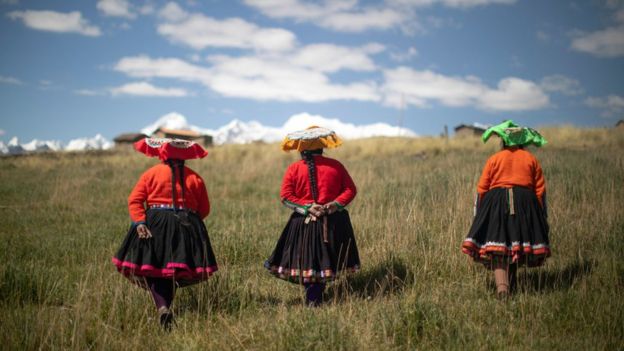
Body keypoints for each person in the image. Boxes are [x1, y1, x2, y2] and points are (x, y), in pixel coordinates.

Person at [112, 137, 218, 329]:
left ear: (163, 154)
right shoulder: (195, 177)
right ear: (185, 157)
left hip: (155, 224)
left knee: (155, 268)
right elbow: (205, 209)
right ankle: (165, 308)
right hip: (187, 225)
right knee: (173, 272)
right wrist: (191, 223)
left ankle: (163, 308)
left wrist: (140, 222)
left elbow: (135, 200)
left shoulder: (150, 174)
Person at [265, 126, 360, 306]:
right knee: (326, 260)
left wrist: (308, 208)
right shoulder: (336, 166)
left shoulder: (294, 168)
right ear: (322, 146)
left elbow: (286, 197)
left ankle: (313, 299)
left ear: (301, 149)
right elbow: (350, 190)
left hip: (304, 223)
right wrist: (334, 205)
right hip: (333, 222)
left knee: (310, 261)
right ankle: (316, 298)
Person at [461, 120, 550, 299]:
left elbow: (482, 188)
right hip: (526, 203)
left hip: (496, 203)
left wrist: (479, 214)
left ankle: (503, 289)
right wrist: (541, 216)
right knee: (515, 244)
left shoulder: (494, 159)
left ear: (503, 140)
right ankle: (512, 284)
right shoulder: (531, 159)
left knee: (499, 247)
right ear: (522, 141)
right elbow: (540, 190)